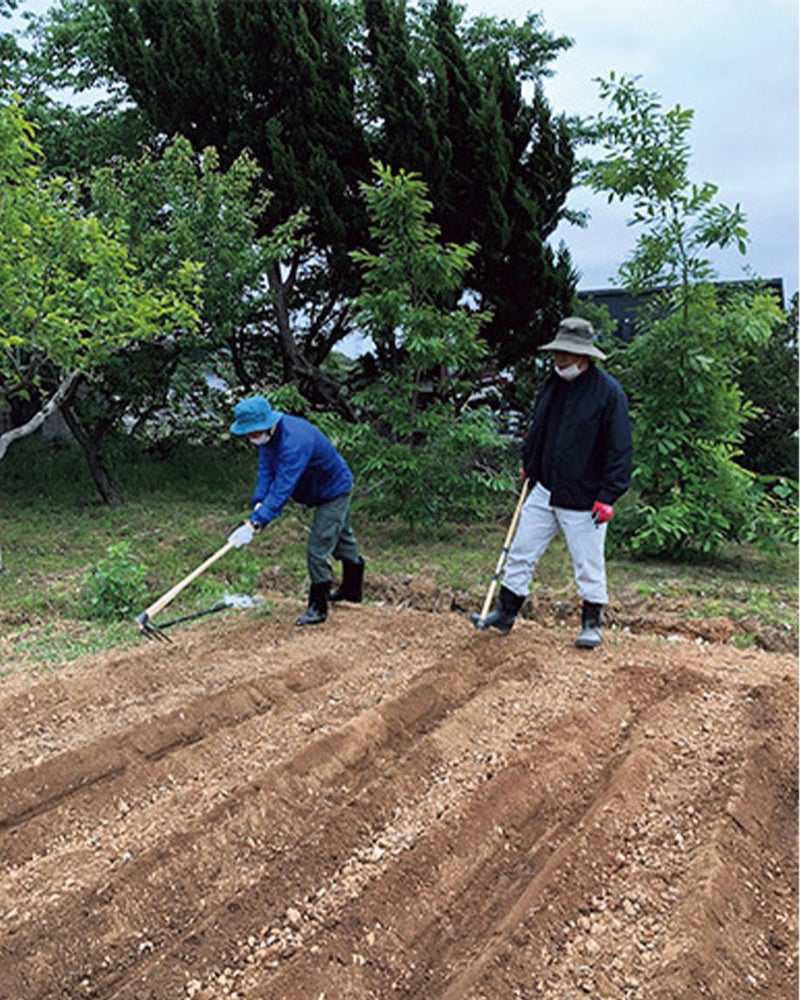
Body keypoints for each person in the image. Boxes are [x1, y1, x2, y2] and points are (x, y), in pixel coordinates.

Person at [476, 317, 632, 648]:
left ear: (584, 355)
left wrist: (609, 495)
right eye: (558, 352)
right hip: (545, 487)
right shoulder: (552, 384)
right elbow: (539, 429)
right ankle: (505, 613)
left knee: (588, 562)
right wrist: (529, 464)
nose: (560, 359)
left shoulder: (608, 393)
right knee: (520, 550)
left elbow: (620, 448)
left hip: (584, 496)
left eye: (567, 353)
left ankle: (591, 623)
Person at [226, 395, 364, 626]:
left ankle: (318, 608)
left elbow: (283, 485)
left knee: (317, 548)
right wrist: (259, 502)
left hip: (334, 491)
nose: (251, 438)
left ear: (267, 424)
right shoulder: (269, 439)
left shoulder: (294, 441)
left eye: (253, 433)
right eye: (247, 434)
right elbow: (266, 471)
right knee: (343, 539)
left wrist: (257, 521)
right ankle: (352, 591)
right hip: (316, 491)